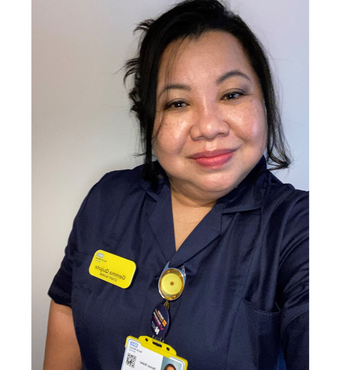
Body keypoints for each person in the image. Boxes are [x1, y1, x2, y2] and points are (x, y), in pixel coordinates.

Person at [43, 1, 308, 369]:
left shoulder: (301, 230)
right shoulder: (107, 199)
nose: (209, 127)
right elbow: (67, 307)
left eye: (232, 94)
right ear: (149, 118)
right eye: (179, 103)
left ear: (264, 100)